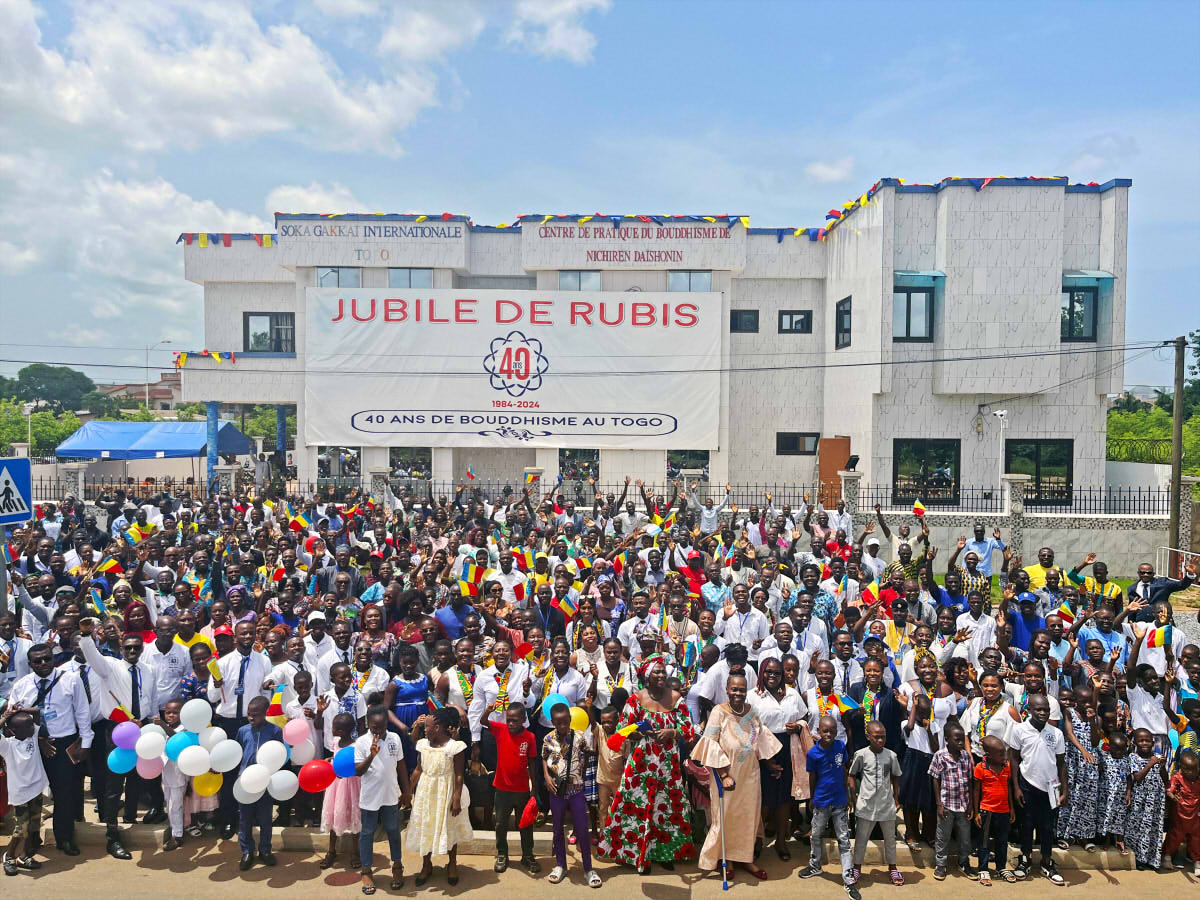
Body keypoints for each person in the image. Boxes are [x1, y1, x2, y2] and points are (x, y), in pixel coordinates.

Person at [597, 653, 697, 873]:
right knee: (639, 809)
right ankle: (638, 855)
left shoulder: (676, 698)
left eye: (663, 671)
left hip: (668, 766)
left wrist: (672, 731)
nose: (661, 675)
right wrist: (639, 731)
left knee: (666, 808)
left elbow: (689, 729)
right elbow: (623, 730)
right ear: (646, 675)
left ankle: (665, 853)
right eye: (657, 672)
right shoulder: (636, 699)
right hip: (641, 765)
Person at [77, 616, 159, 859]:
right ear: (120, 648)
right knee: (114, 784)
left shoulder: (149, 670)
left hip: (142, 727)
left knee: (138, 777)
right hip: (117, 730)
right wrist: (85, 634)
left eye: (137, 648)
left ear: (142, 649)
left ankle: (131, 817)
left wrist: (152, 723)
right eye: (128, 648)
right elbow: (91, 655)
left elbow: (151, 701)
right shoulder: (109, 666)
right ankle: (112, 837)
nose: (132, 651)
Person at [691, 672, 780, 881]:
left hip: (750, 775)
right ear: (727, 690)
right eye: (734, 689)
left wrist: (770, 764)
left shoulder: (752, 712)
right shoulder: (718, 712)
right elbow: (710, 744)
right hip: (726, 776)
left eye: (742, 689)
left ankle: (746, 858)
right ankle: (727, 859)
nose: (738, 693)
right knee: (726, 817)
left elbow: (761, 739)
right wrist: (723, 776)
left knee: (748, 816)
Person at [7, 642, 92, 855]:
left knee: (64, 793)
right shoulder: (22, 685)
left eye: (47, 658)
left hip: (63, 744)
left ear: (53, 658)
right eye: (38, 660)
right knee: (32, 794)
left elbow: (82, 712)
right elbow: (13, 718)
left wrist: (86, 743)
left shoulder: (70, 680)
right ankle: (32, 840)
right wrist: (39, 738)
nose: (43, 663)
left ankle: (64, 838)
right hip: (32, 745)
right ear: (30, 664)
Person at [1007, 693, 1068, 884]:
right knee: (1027, 825)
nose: (1043, 713)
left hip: (1050, 786)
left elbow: (1061, 764)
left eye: (1046, 709)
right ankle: (1024, 860)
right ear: (1029, 710)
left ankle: (1047, 862)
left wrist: (1065, 790)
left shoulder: (1056, 733)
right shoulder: (1019, 730)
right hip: (1027, 784)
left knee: (1048, 827)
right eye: (1038, 709)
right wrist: (1016, 787)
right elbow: (1014, 759)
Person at [409, 707, 472, 887]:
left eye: (427, 727)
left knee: (449, 827)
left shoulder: (455, 747)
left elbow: (459, 775)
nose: (424, 730)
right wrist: (408, 791)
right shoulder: (424, 745)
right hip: (426, 793)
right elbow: (418, 769)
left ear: (437, 727)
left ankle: (452, 864)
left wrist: (456, 798)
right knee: (425, 826)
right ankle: (426, 865)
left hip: (446, 792)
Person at [798, 714, 858, 899]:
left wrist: (849, 795)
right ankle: (815, 865)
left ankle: (848, 879)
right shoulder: (813, 754)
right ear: (818, 731)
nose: (829, 734)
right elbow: (812, 777)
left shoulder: (840, 746)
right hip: (821, 801)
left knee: (844, 840)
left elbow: (844, 770)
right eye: (825, 731)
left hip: (840, 801)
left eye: (832, 731)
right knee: (816, 834)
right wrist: (812, 798)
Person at [542, 701, 601, 887]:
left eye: (565, 722)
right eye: (558, 723)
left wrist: (582, 771)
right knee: (557, 829)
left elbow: (587, 752)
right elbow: (544, 757)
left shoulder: (580, 737)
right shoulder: (548, 739)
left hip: (576, 790)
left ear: (570, 719)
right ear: (552, 722)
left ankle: (588, 869)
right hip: (557, 791)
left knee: (583, 829)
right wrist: (546, 776)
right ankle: (560, 865)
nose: (562, 726)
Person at [355, 704, 412, 895]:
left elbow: (401, 766)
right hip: (370, 796)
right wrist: (371, 755)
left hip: (390, 794)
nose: (377, 731)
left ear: (387, 722)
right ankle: (366, 870)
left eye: (381, 726)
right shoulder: (362, 742)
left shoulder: (395, 738)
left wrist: (407, 790)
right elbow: (358, 771)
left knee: (393, 830)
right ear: (368, 725)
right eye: (373, 727)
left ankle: (397, 866)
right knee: (367, 832)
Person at [848, 721, 903, 886]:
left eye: (883, 737)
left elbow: (896, 776)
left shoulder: (891, 755)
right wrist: (854, 797)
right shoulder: (861, 754)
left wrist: (896, 798)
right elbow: (851, 774)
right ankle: (857, 867)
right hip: (866, 803)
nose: (880, 740)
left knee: (890, 838)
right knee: (861, 838)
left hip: (886, 803)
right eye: (876, 737)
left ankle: (893, 868)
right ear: (868, 736)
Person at [489, 702, 540, 875]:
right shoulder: (500, 730)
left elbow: (532, 762)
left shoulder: (530, 737)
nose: (511, 723)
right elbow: (483, 722)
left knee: (525, 824)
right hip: (502, 789)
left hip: (522, 790)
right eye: (508, 720)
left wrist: (534, 788)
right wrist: (487, 711)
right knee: (501, 824)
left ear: (524, 720)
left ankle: (527, 855)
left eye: (515, 720)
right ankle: (502, 854)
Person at [235, 695, 282, 870]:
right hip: (245, 781)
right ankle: (247, 851)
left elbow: (278, 755)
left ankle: (265, 850)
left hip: (265, 782)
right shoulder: (242, 731)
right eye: (249, 714)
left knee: (265, 819)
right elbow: (238, 752)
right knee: (245, 819)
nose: (251, 718)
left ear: (265, 713)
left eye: (255, 714)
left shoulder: (275, 731)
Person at [929, 720, 974, 880]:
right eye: (957, 739)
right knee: (943, 836)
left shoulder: (966, 757)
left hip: (963, 804)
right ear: (947, 739)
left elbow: (969, 779)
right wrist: (939, 804)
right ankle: (940, 865)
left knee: (965, 837)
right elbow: (935, 779)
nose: (961, 743)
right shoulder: (940, 756)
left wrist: (970, 805)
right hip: (947, 804)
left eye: (962, 739)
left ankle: (964, 862)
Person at [320, 712, 362, 871]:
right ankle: (331, 851)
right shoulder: (336, 742)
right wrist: (330, 760)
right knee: (334, 813)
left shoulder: (356, 746)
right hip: (336, 785)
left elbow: (356, 764)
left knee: (353, 815)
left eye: (334, 728)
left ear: (342, 731)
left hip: (351, 785)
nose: (332, 729)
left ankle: (355, 852)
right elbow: (336, 757)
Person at [972, 734, 1016, 885]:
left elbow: (1009, 788)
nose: (1004, 756)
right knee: (984, 842)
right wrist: (976, 811)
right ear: (988, 755)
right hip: (987, 810)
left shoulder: (1006, 767)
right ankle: (983, 869)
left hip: (1003, 810)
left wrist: (1011, 809)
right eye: (1000, 753)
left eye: (1004, 752)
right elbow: (976, 790)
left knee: (1002, 840)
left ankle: (1001, 867)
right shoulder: (980, 768)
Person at [1126, 727, 1167, 871]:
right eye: (1141, 740)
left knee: (1153, 829)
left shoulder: (1157, 756)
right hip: (1140, 800)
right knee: (1139, 828)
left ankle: (1152, 860)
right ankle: (1139, 859)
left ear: (1153, 742)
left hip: (1155, 800)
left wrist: (1162, 767)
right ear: (1135, 742)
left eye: (1147, 740)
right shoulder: (1133, 757)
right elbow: (1137, 777)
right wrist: (1150, 764)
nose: (1144, 743)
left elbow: (1165, 779)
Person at [1162, 748, 1200, 876]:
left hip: (1195, 815)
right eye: (1187, 769)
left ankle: (1197, 862)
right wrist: (1172, 796)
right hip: (1179, 813)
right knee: (1174, 836)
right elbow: (1169, 790)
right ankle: (1167, 857)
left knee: (1196, 839)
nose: (1190, 772)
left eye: (1193, 769)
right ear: (1182, 768)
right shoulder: (1178, 778)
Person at [157, 699, 188, 851]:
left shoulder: (183, 729)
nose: (171, 716)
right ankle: (174, 828)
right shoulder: (164, 729)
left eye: (175, 713)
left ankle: (178, 835)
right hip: (167, 774)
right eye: (168, 712)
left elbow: (175, 738)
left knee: (175, 805)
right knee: (169, 803)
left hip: (178, 775)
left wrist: (162, 724)